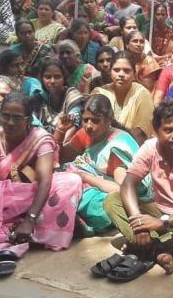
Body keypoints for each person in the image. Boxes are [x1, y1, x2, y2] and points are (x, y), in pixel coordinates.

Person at [0, 92, 82, 276]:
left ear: (28, 120)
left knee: (71, 181)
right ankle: (11, 238)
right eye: (5, 116)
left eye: (17, 118)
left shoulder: (40, 138)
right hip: (1, 196)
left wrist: (30, 219)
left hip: (30, 195)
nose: (10, 123)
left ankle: (21, 231)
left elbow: (45, 180)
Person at [102, 100, 173, 280]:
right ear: (156, 130)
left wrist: (164, 223)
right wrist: (139, 225)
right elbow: (128, 184)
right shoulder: (150, 147)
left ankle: (147, 247)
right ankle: (157, 250)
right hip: (158, 213)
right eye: (169, 130)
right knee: (112, 200)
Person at [61, 94, 145, 236]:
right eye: (85, 120)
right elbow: (60, 157)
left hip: (125, 199)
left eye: (95, 121)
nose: (88, 125)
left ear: (108, 120)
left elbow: (122, 190)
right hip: (96, 185)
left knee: (98, 207)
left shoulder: (117, 147)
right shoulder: (86, 134)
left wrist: (85, 177)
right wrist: (60, 131)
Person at [93, 53, 155, 144]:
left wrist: (112, 124)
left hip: (133, 151)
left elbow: (140, 137)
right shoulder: (100, 92)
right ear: (110, 72)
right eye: (116, 70)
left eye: (126, 71)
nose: (121, 74)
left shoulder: (142, 94)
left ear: (134, 74)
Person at [35, 58, 83, 139]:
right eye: (48, 77)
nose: (52, 81)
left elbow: (72, 126)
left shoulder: (72, 96)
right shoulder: (39, 98)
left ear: (64, 78)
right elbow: (34, 125)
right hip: (42, 141)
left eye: (57, 77)